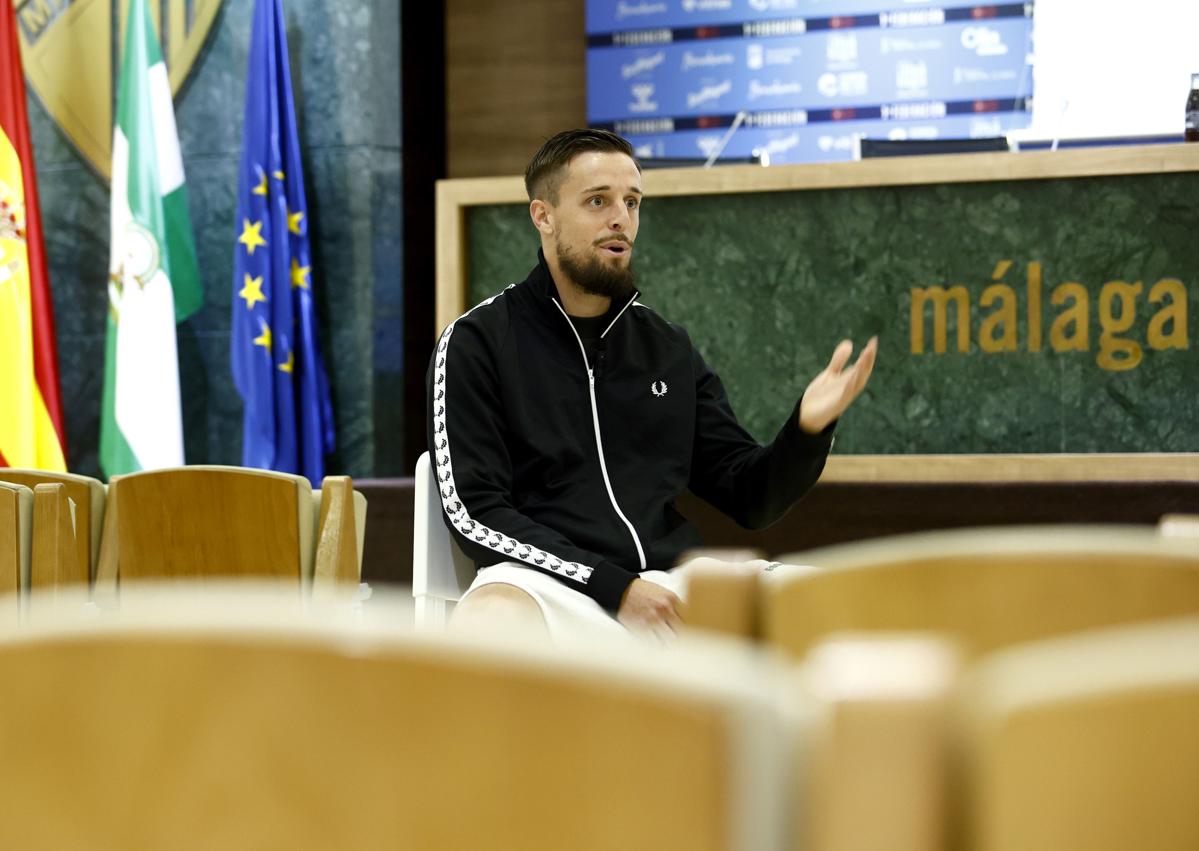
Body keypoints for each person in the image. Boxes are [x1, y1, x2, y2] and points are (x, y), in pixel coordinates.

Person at [428, 128, 876, 639]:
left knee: (837, 599)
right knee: (488, 622)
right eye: (598, 200)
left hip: (673, 582)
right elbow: (475, 513)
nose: (621, 217)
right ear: (543, 216)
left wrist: (808, 429)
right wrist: (613, 587)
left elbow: (751, 498)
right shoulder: (475, 342)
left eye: (632, 201)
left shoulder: (667, 347)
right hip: (550, 585)